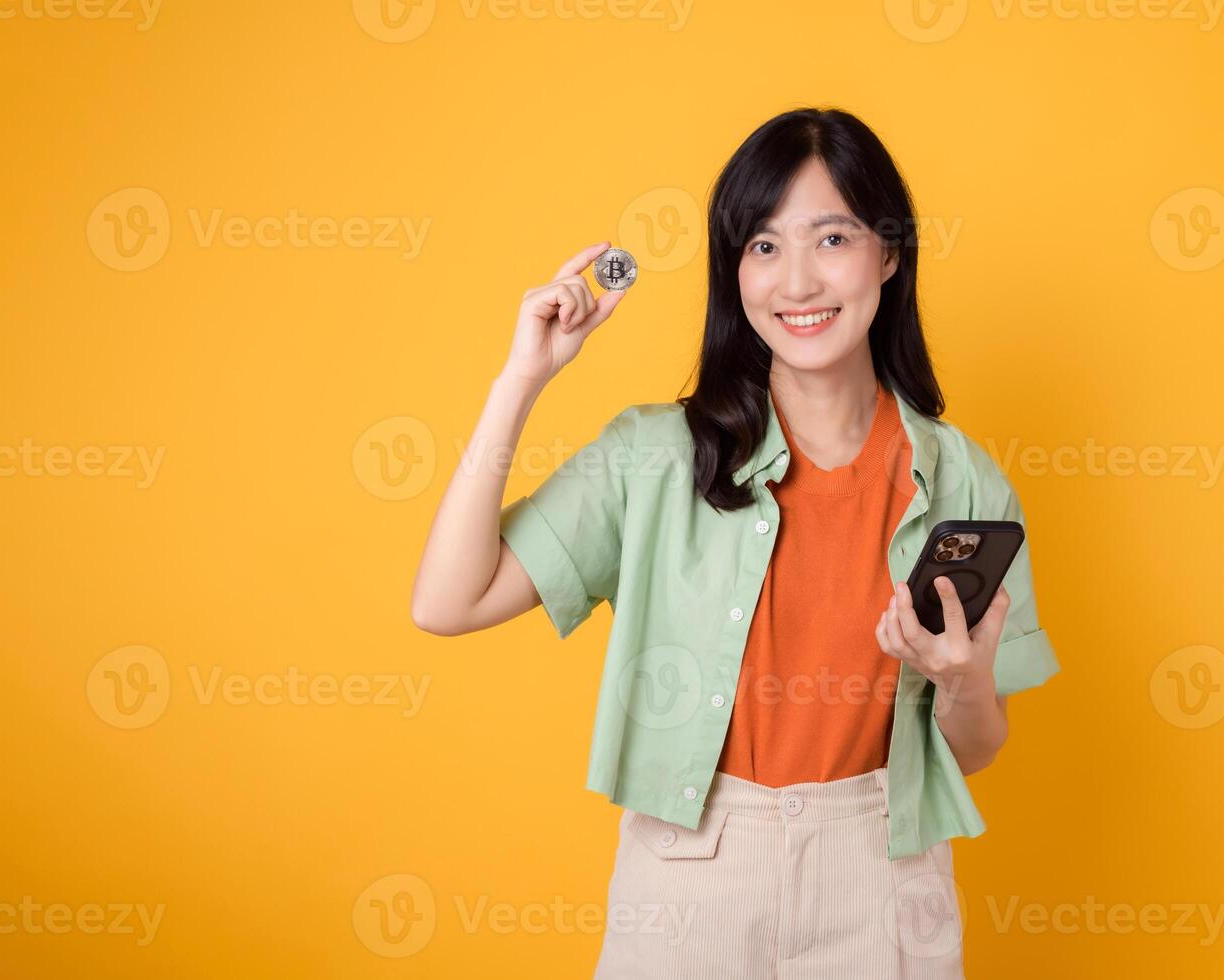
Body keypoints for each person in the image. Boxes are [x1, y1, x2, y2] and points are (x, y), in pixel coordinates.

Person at [410, 106, 1060, 979]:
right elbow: (447, 602)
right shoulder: (655, 454)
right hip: (691, 872)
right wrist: (522, 378)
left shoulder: (965, 481)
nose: (797, 282)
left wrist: (960, 676)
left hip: (882, 874)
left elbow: (977, 748)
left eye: (832, 239)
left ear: (888, 254)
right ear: (735, 272)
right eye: (762, 245)